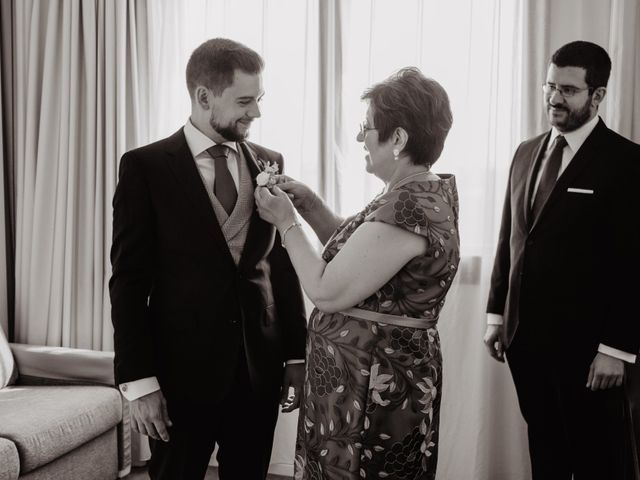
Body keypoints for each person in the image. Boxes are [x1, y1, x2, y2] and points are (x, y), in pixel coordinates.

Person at [109, 38, 307, 480]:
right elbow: (128, 281)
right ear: (203, 96)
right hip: (179, 376)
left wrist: (296, 354)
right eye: (244, 101)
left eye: (258, 100)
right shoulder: (146, 168)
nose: (255, 113)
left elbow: (281, 266)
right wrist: (140, 383)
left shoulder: (268, 162)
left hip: (259, 369)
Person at [255, 67, 459, 480]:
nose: (359, 137)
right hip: (358, 375)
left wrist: (287, 222)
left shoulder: (409, 208)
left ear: (398, 139)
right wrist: (310, 206)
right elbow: (361, 262)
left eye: (366, 128)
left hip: (373, 383)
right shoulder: (410, 193)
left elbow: (327, 290)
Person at [484, 40, 640, 480]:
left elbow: (633, 264)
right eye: (550, 86)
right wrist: (497, 315)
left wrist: (616, 349)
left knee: (597, 461)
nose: (554, 98)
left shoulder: (628, 163)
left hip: (590, 352)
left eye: (568, 90)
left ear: (598, 95)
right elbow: (510, 240)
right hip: (524, 341)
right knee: (546, 454)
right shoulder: (525, 151)